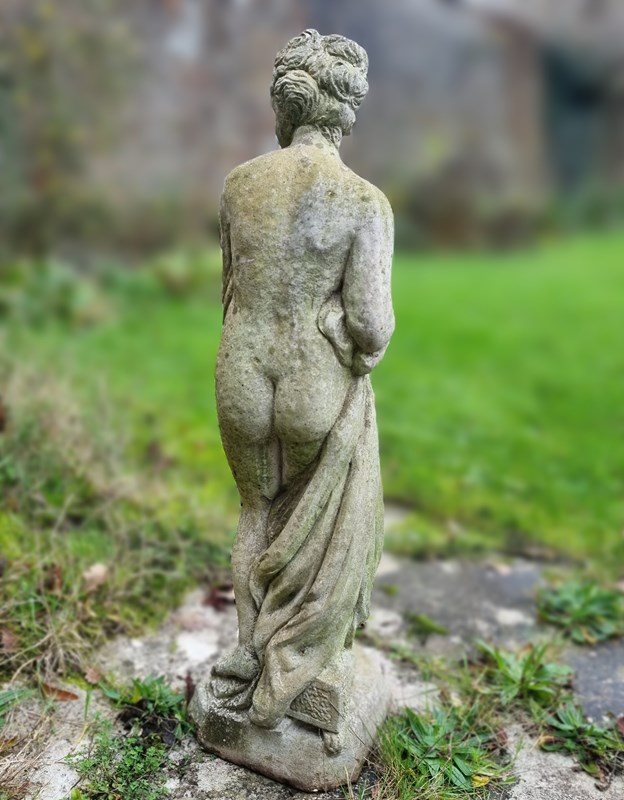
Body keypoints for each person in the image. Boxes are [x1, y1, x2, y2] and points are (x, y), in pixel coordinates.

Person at [211, 29, 394, 750]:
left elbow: (230, 286)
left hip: (242, 368)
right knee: (314, 522)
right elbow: (371, 324)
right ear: (347, 110)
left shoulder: (239, 185)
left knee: (256, 509)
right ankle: (299, 662)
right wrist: (354, 342)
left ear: (284, 105)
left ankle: (246, 652)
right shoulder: (363, 201)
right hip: (312, 378)